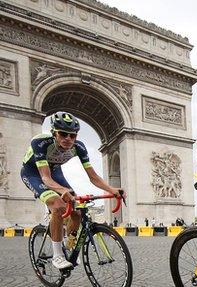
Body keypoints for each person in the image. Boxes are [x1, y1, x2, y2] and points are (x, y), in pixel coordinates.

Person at [20, 111, 123, 269]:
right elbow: (45, 178)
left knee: (77, 211)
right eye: (63, 134)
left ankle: (69, 246)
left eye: (72, 136)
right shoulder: (40, 143)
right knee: (58, 205)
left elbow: (93, 177)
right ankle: (58, 255)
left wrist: (112, 189)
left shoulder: (79, 147)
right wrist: (62, 191)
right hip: (34, 173)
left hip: (55, 172)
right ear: (54, 133)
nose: (68, 139)